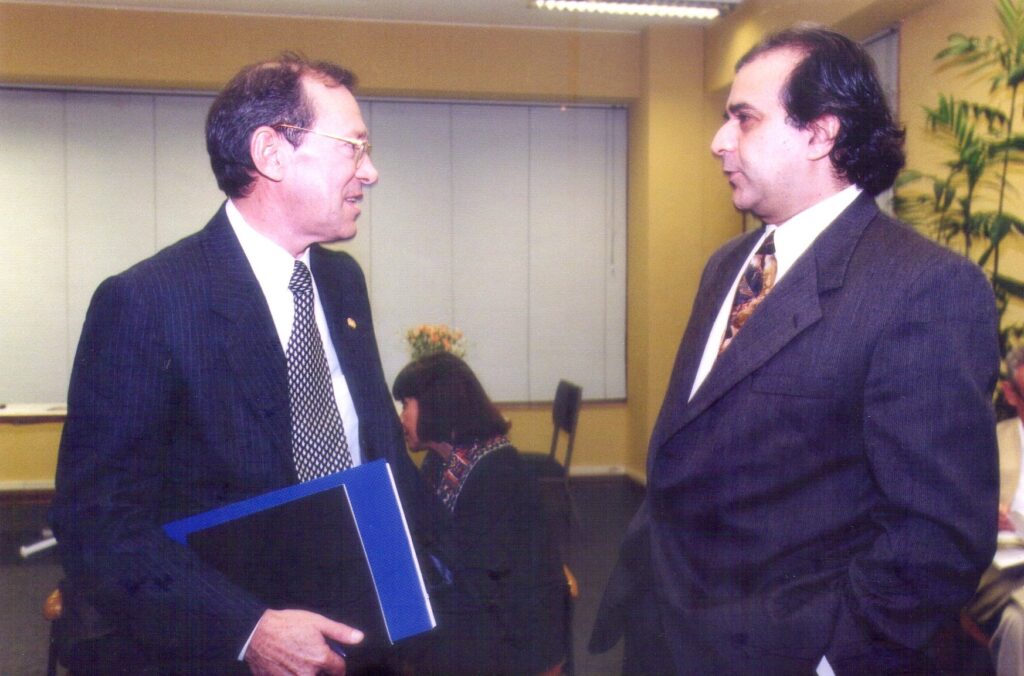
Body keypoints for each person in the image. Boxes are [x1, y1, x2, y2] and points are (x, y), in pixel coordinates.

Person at [590, 25, 1000, 675]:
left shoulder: (924, 287)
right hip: (667, 631)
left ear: (820, 133)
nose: (718, 141)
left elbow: (937, 535)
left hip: (784, 654)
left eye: (743, 120)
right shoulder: (729, 265)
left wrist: (833, 662)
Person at [50, 53, 434, 675]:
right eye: (354, 148)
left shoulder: (341, 283)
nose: (372, 172)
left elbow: (376, 454)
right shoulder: (149, 302)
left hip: (365, 638)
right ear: (272, 153)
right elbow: (98, 523)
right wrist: (249, 630)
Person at [391, 352, 568, 675]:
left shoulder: (496, 472)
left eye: (406, 404)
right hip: (481, 619)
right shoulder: (443, 459)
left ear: (434, 404)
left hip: (514, 643)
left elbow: (482, 584)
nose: (401, 417)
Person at [967, 346, 1024, 675]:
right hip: (998, 577)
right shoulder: (988, 445)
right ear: (1011, 395)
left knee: (1019, 623)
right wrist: (984, 513)